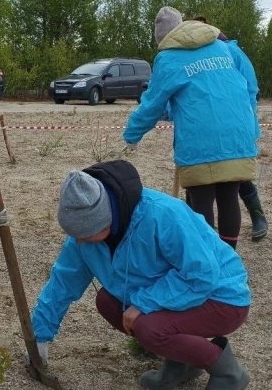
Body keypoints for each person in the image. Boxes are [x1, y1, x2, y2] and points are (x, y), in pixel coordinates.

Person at [29, 160, 252, 390]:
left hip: (222, 298)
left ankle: (227, 372)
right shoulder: (83, 236)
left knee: (149, 327)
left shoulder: (162, 214)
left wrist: (144, 303)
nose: (78, 240)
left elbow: (201, 275)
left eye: (84, 233)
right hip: (181, 295)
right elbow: (63, 282)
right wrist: (40, 337)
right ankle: (183, 364)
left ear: (105, 220)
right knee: (108, 302)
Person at [124, 7, 260, 250]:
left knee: (201, 200)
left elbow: (152, 103)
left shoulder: (168, 58)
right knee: (229, 197)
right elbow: (245, 85)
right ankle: (228, 261)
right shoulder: (223, 47)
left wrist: (132, 134)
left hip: (200, 141)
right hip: (238, 136)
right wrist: (250, 123)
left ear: (163, 39)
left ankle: (208, 261)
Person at [190, 15, 269, 242]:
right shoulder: (191, 55)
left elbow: (251, 88)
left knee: (235, 178)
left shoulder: (231, 52)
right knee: (200, 181)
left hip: (237, 125)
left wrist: (244, 120)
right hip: (205, 129)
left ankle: (257, 216)